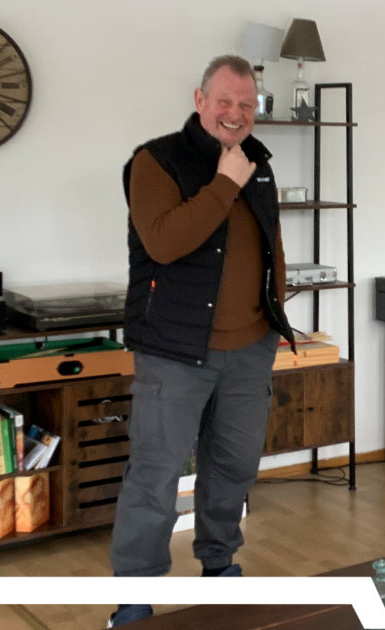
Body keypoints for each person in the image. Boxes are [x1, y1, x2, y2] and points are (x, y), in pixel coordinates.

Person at [107, 55, 295, 627]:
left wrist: (275, 317)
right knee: (156, 474)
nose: (235, 113)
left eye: (246, 104)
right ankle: (134, 598)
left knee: (233, 467)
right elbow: (165, 243)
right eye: (224, 101)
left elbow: (270, 245)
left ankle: (219, 565)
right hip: (174, 351)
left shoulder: (257, 163)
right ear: (200, 100)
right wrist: (223, 184)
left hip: (250, 348)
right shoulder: (155, 161)